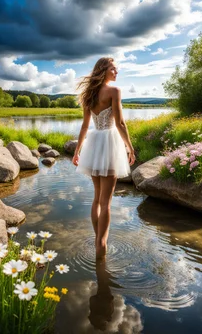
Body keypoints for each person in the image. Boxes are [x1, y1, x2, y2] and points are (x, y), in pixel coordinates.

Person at [72, 57, 135, 258]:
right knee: (106, 201)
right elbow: (120, 124)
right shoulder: (115, 92)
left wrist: (77, 150)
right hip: (109, 143)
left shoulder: (89, 94)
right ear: (104, 70)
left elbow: (84, 126)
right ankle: (102, 243)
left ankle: (97, 237)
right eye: (113, 69)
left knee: (97, 198)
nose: (117, 73)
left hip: (94, 143)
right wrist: (130, 148)